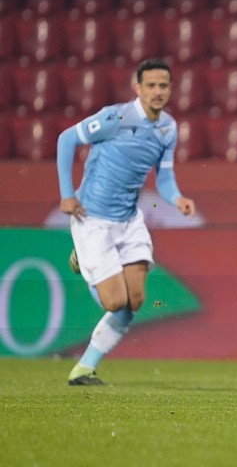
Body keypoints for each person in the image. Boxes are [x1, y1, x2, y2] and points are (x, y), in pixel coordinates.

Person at [56, 58, 196, 385]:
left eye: (163, 85)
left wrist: (177, 198)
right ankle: (83, 258)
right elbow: (66, 139)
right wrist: (67, 194)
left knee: (134, 301)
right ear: (138, 88)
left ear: (171, 89)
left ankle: (83, 369)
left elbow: (164, 177)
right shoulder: (116, 117)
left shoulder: (168, 128)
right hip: (92, 218)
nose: (158, 91)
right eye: (151, 85)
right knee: (115, 301)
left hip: (129, 220)